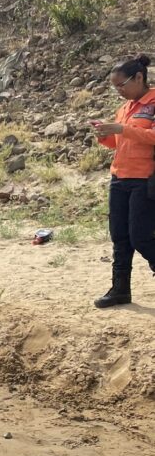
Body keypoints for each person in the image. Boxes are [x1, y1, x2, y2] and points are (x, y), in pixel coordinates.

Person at [92, 54, 155, 308]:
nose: (118, 90)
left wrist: (121, 130)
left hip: (145, 179)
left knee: (140, 236)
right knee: (119, 236)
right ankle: (120, 289)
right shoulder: (125, 108)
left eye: (122, 85)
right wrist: (104, 134)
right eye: (114, 86)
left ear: (139, 78)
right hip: (119, 177)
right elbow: (119, 142)